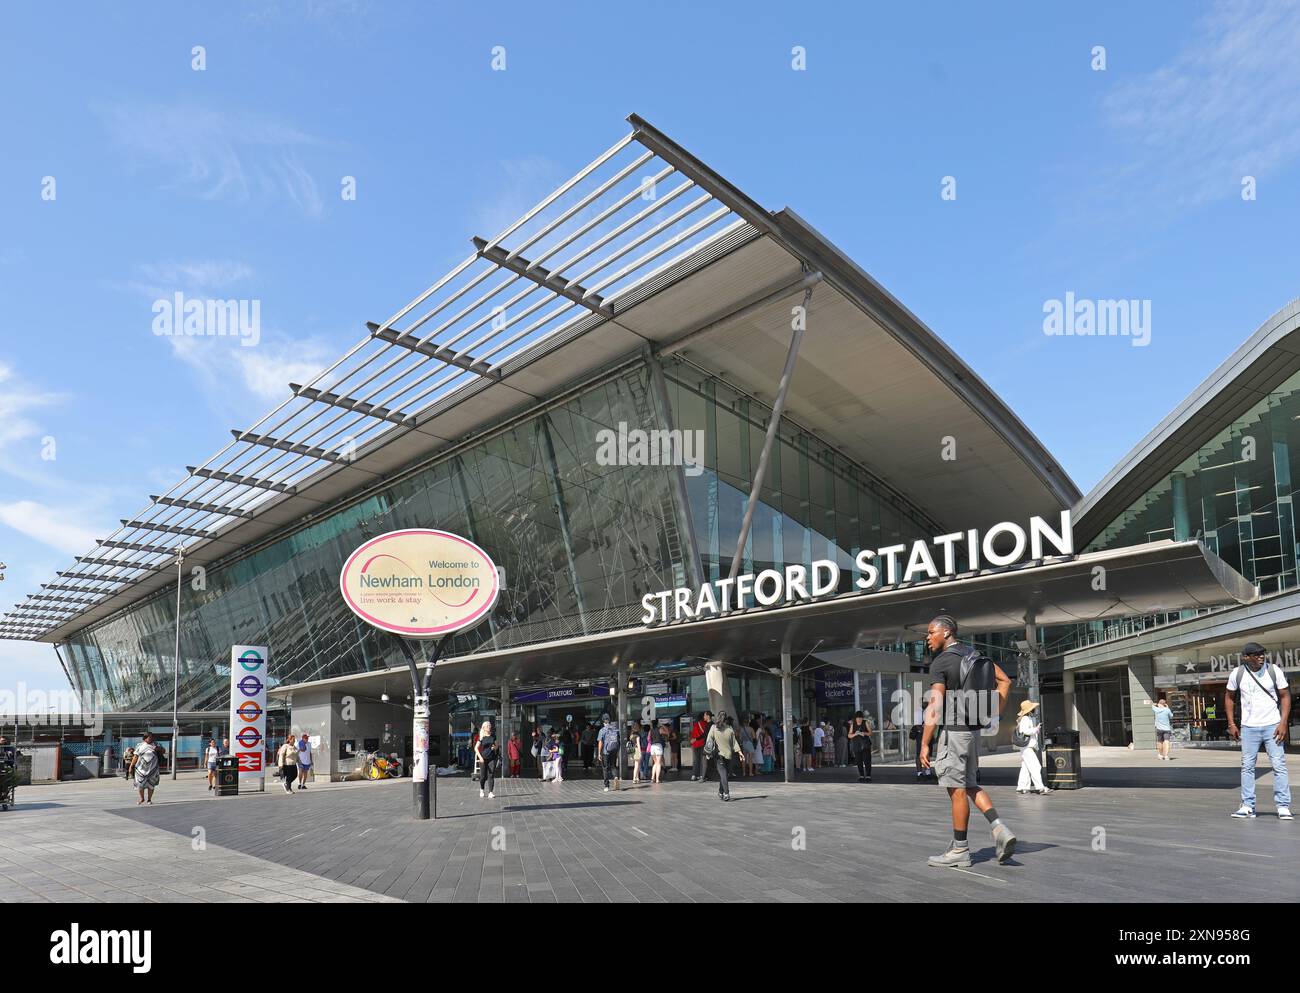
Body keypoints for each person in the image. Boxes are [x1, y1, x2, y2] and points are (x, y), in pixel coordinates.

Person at [920, 615, 1017, 867]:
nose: (928, 638)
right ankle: (999, 829)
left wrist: (924, 742)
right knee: (971, 784)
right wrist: (993, 711)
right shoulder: (974, 655)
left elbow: (935, 703)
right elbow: (1005, 681)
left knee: (957, 790)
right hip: (973, 733)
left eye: (931, 633)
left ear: (947, 632)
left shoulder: (941, 661)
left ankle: (960, 850)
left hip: (954, 733)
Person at [1226, 642, 1292, 820]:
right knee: (1247, 767)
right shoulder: (1237, 674)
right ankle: (1248, 806)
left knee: (1279, 765)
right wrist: (1232, 724)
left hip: (1272, 725)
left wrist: (1283, 722)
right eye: (1256, 654)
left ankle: (1283, 806)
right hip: (1249, 727)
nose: (1261, 656)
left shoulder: (1274, 671)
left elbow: (1285, 696)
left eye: (1263, 654)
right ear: (1246, 657)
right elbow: (1229, 697)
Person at [705, 711, 743, 801]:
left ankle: (721, 792)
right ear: (726, 719)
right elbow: (734, 742)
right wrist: (740, 752)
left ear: (718, 717)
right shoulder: (729, 728)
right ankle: (726, 793)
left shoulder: (714, 727)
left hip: (719, 756)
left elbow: (709, 740)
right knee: (725, 775)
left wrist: (708, 753)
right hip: (727, 756)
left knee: (724, 775)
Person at [1014, 700, 1050, 795]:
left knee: (1025, 768)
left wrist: (1035, 728)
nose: (1035, 709)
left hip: (1026, 747)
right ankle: (1040, 787)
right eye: (1033, 708)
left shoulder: (1026, 718)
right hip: (1027, 747)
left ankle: (1022, 787)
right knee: (1035, 766)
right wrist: (1036, 729)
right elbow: (1025, 731)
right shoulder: (1026, 718)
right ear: (1029, 710)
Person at [129, 733, 161, 805]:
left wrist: (158, 748)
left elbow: (163, 751)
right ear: (145, 738)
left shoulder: (156, 744)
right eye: (150, 737)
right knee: (140, 784)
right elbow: (135, 757)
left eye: (152, 737)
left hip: (153, 768)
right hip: (140, 769)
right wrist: (131, 766)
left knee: (151, 784)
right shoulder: (139, 745)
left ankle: (149, 799)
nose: (151, 739)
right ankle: (142, 798)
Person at [598, 715, 621, 791]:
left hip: (606, 751)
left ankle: (606, 786)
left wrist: (599, 753)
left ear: (603, 721)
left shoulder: (602, 730)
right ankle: (615, 777)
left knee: (605, 768)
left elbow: (600, 742)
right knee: (613, 766)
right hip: (614, 751)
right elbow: (618, 741)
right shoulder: (615, 729)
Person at [1147, 695, 1174, 761]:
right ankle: (1166, 756)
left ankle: (1160, 755)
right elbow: (1171, 716)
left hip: (1159, 729)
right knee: (1167, 742)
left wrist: (1155, 704)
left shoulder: (1156, 709)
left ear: (1159, 704)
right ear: (1164, 704)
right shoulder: (1167, 710)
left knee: (1160, 742)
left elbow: (1153, 705)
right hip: (1167, 729)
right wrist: (1167, 707)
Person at [848, 711, 872, 783]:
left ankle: (868, 775)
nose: (859, 720)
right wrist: (855, 734)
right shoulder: (853, 724)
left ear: (862, 718)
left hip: (865, 745)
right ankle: (861, 775)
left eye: (860, 718)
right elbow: (849, 735)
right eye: (858, 718)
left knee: (867, 761)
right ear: (855, 718)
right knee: (859, 761)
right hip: (857, 745)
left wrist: (864, 733)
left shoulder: (865, 722)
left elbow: (871, 733)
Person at [475, 720, 497, 799]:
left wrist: (495, 747)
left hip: (492, 758)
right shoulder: (481, 737)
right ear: (483, 728)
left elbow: (496, 746)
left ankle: (491, 792)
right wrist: (480, 757)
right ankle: (481, 789)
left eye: (489, 725)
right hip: (483, 759)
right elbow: (476, 748)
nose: (489, 727)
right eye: (487, 726)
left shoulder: (493, 736)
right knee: (483, 776)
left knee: (491, 775)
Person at [690, 711, 712, 781]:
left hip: (695, 744)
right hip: (702, 744)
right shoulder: (706, 724)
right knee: (703, 760)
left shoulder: (695, 724)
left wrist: (692, 741)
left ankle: (694, 775)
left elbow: (692, 733)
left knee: (695, 760)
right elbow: (705, 734)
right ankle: (701, 775)